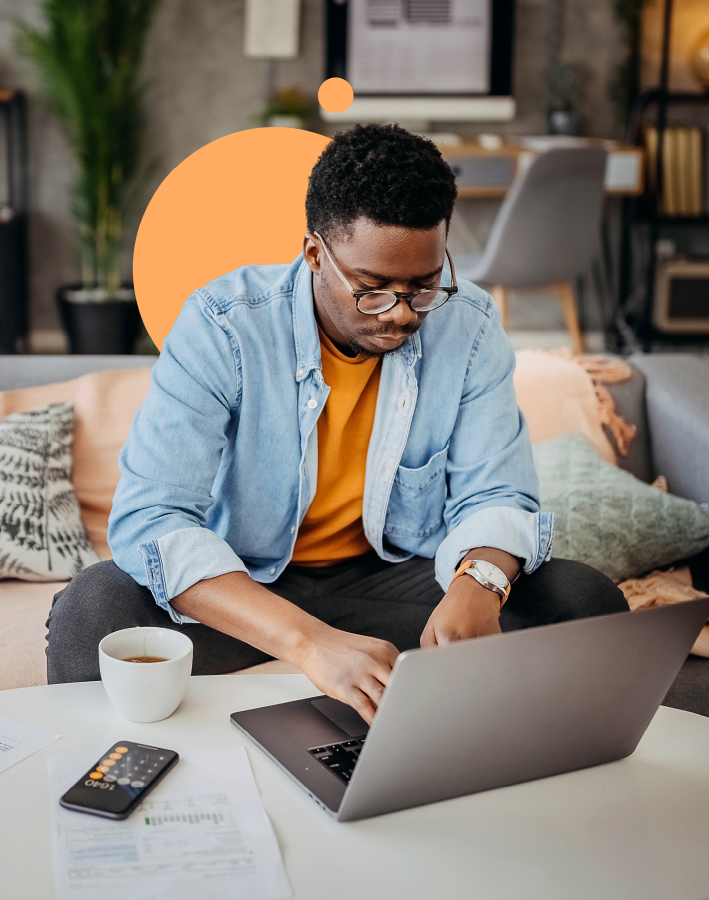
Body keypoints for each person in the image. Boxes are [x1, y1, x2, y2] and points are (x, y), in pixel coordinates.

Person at [46, 123, 627, 721]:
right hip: (247, 585)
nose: (402, 315)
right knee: (93, 609)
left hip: (393, 580)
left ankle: (511, 779)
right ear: (315, 252)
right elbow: (152, 519)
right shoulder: (223, 326)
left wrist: (479, 583)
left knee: (583, 600)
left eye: (424, 287)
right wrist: (309, 644)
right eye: (372, 291)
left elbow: (498, 492)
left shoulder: (471, 326)